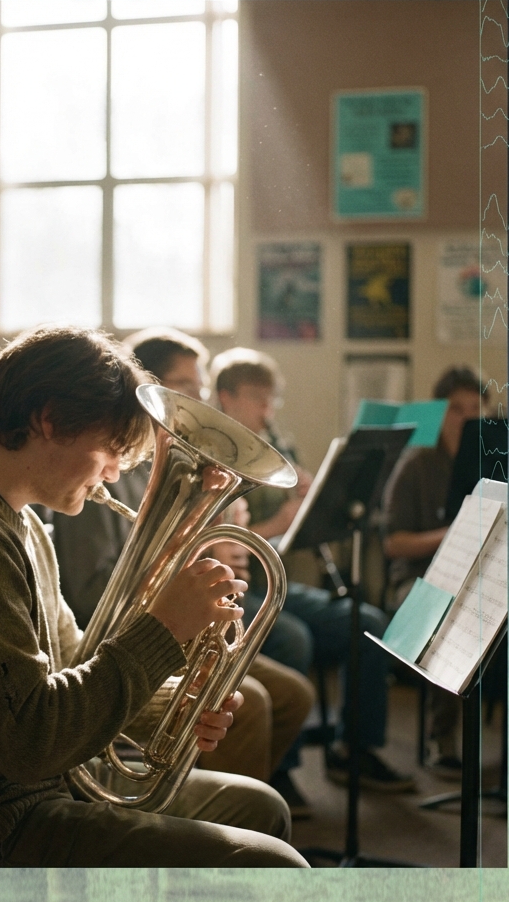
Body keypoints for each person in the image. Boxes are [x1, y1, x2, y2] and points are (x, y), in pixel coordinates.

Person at [0, 325, 309, 868]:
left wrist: (174, 706)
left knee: (261, 809)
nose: (112, 473)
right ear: (50, 420)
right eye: (110, 449)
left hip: (26, 795)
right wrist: (162, 630)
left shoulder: (12, 517)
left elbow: (73, 666)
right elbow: (33, 740)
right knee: (275, 864)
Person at [50, 327, 317, 817]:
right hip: (126, 634)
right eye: (185, 389)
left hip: (168, 629)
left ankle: (227, 801)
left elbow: (167, 560)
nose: (199, 401)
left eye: (199, 388)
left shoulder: (172, 467)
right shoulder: (98, 470)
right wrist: (182, 580)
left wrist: (207, 550)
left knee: (294, 695)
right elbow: (92, 593)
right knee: (251, 702)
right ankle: (207, 821)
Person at [210, 347, 415, 793]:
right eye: (257, 398)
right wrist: (279, 523)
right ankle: (278, 769)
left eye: (272, 399)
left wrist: (312, 507)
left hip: (272, 580)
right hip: (236, 588)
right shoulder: (212, 454)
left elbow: (287, 540)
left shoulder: (274, 450)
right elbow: (218, 544)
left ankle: (355, 749)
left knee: (367, 621)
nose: (267, 410)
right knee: (293, 638)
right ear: (226, 397)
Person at [382, 365, 487, 774]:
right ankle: (443, 739)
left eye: (476, 410)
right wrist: (454, 534)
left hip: (477, 576)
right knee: (454, 618)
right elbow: (393, 543)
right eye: (457, 410)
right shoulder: (416, 464)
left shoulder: (490, 459)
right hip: (418, 578)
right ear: (440, 413)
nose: (467, 418)